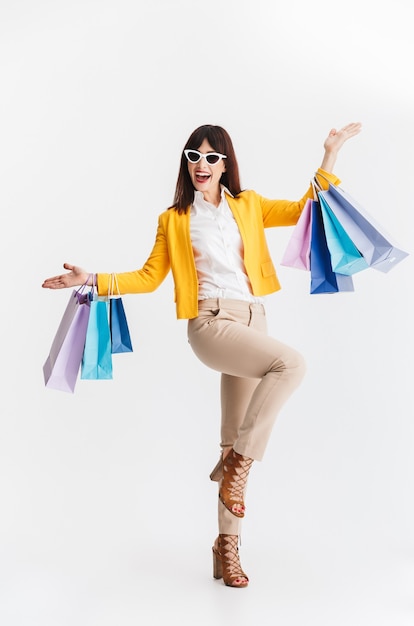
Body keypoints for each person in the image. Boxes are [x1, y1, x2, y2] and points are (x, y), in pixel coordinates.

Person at [42, 121, 362, 588]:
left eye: (211, 157)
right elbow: (149, 278)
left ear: (225, 164)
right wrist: (92, 279)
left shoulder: (247, 205)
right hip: (211, 324)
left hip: (254, 320)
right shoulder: (173, 220)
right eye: (194, 156)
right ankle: (236, 464)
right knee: (291, 365)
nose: (201, 165)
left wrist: (330, 154)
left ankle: (225, 548)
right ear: (186, 163)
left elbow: (303, 211)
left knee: (234, 437)